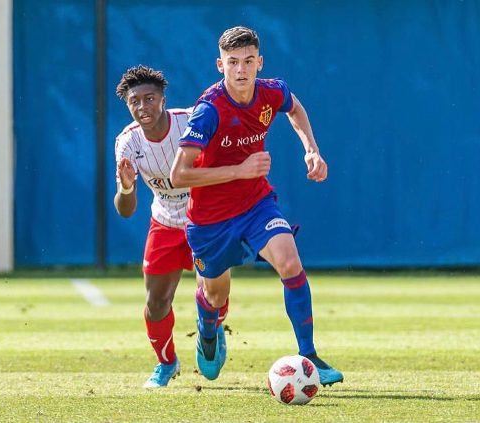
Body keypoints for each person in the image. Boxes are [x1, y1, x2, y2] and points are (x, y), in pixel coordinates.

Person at [170, 26, 344, 386]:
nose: (241, 69)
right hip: (210, 219)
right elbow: (178, 175)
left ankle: (309, 355)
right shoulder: (208, 110)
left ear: (259, 62)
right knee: (216, 294)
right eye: (233, 62)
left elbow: (294, 108)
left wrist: (311, 150)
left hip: (255, 203)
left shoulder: (271, 91)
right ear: (220, 65)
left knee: (290, 262)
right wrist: (240, 169)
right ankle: (208, 329)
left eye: (248, 61)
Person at [114, 65, 229, 388]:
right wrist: (127, 188)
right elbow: (125, 210)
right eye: (135, 101)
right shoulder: (127, 142)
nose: (143, 107)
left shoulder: (190, 122)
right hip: (164, 223)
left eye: (150, 98)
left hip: (205, 219)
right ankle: (167, 363)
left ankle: (211, 328)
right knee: (155, 304)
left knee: (213, 293)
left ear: (163, 99)